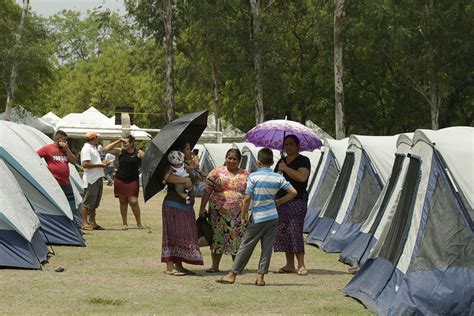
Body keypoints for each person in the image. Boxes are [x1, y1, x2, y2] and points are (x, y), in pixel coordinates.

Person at [216, 148, 297, 286]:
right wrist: (279, 202)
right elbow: (293, 192)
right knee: (266, 248)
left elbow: (247, 198)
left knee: (246, 246)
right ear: (272, 162)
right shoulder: (278, 177)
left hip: (258, 217)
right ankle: (260, 277)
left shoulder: (253, 177)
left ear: (258, 162)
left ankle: (232, 274)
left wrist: (243, 215)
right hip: (272, 216)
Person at [199, 148, 249, 273]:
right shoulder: (216, 172)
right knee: (217, 237)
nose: (231, 161)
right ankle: (215, 266)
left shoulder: (245, 174)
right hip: (218, 212)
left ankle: (236, 267)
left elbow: (249, 194)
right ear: (226, 158)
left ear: (239, 161)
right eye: (229, 158)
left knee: (236, 238)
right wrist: (201, 207)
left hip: (238, 213)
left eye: (234, 159)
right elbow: (207, 190)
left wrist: (246, 211)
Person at [161, 141, 203, 276]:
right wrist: (185, 181)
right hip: (173, 205)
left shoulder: (187, 166)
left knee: (183, 235)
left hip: (186, 206)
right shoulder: (171, 166)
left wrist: (196, 173)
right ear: (180, 151)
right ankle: (169, 267)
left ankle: (179, 264)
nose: (190, 152)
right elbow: (169, 178)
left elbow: (194, 181)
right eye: (187, 149)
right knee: (172, 234)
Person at [273, 134, 311, 275]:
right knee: (284, 232)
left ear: (297, 146)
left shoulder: (303, 160)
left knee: (295, 231)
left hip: (297, 201)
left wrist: (286, 168)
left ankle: (301, 265)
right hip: (281, 201)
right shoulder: (281, 161)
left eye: (291, 144)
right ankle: (289, 264)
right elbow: (276, 179)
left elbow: (302, 177)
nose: (288, 147)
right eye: (286, 144)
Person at [36, 130, 79, 224]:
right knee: (57, 204)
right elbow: (35, 157)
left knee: (71, 204)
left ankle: (74, 224)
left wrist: (67, 149)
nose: (65, 142)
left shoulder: (65, 150)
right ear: (58, 139)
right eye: (64, 140)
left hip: (66, 182)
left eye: (66, 140)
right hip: (55, 183)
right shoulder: (47, 149)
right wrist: (44, 169)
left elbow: (73, 161)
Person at [104, 135, 144, 230]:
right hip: (120, 179)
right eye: (123, 142)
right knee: (123, 202)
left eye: (126, 142)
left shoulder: (139, 152)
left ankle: (139, 223)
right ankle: (125, 224)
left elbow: (148, 161)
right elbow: (106, 149)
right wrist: (118, 140)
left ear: (131, 143)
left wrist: (141, 170)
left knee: (133, 201)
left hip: (133, 180)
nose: (124, 144)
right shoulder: (120, 151)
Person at [80, 131, 107, 231]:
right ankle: (84, 223)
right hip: (91, 179)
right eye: (97, 138)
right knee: (86, 202)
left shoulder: (93, 148)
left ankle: (92, 222)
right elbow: (85, 164)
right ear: (93, 138)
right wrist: (100, 165)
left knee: (94, 203)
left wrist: (101, 163)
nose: (98, 139)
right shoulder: (87, 148)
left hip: (97, 177)